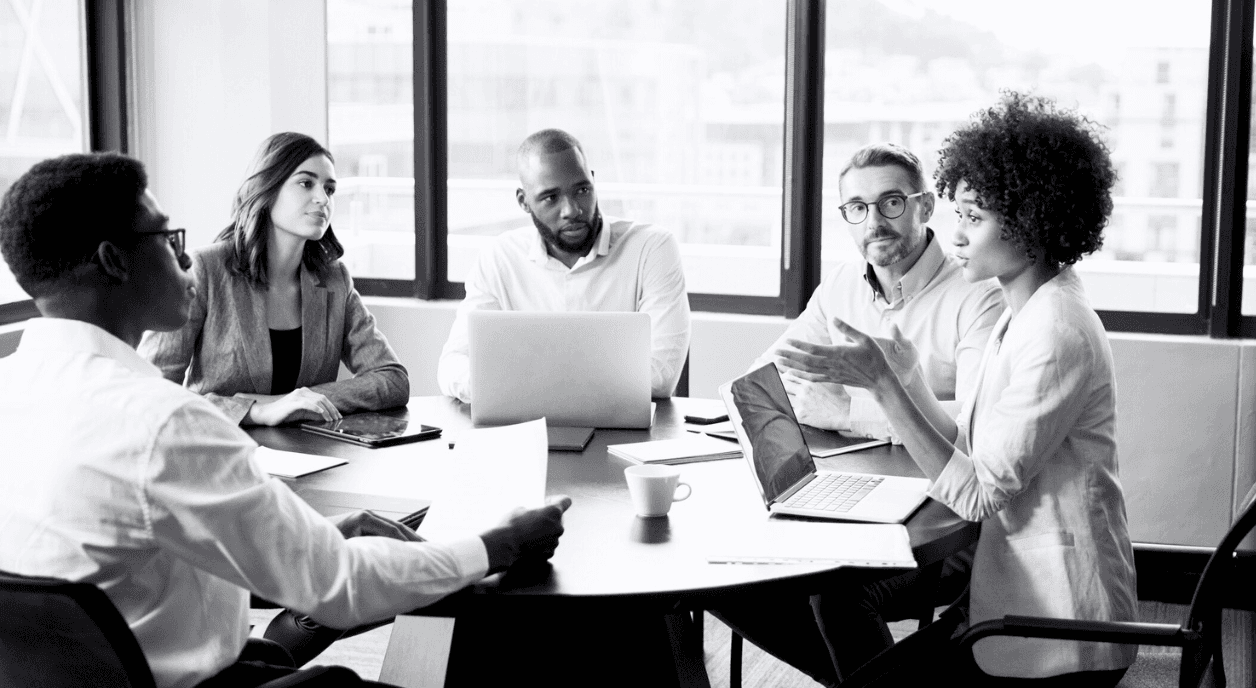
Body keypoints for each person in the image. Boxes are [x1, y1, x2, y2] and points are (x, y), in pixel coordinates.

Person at [0, 152, 572, 688]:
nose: (182, 254)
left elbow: (129, 556)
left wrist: (308, 541)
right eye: (166, 237)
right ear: (113, 260)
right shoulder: (162, 422)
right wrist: (499, 544)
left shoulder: (12, 390)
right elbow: (339, 587)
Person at [776, 93, 1138, 685]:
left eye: (974, 218)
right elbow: (969, 445)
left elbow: (975, 496)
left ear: (1031, 221)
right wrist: (907, 376)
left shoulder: (1056, 332)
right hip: (1007, 599)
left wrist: (883, 388)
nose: (958, 235)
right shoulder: (1024, 311)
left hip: (1058, 623)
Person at [139, 132, 408, 427]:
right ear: (267, 188)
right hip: (221, 452)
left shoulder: (334, 280)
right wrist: (255, 410)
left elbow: (392, 380)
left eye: (329, 189)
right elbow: (151, 393)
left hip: (314, 457)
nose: (322, 199)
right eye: (306, 183)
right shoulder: (205, 269)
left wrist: (302, 399)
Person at [752, 142, 1003, 439]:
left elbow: (974, 423)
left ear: (925, 207)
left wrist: (849, 415)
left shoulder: (981, 297)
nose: (874, 223)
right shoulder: (840, 284)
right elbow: (763, 378)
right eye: (858, 207)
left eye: (892, 202)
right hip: (846, 471)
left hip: (933, 478)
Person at [437, 128, 691, 402]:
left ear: (593, 182)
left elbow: (661, 375)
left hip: (626, 437)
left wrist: (520, 385)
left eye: (582, 190)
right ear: (524, 201)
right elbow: (453, 365)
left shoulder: (651, 248)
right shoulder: (499, 258)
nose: (572, 210)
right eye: (550, 198)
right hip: (527, 429)